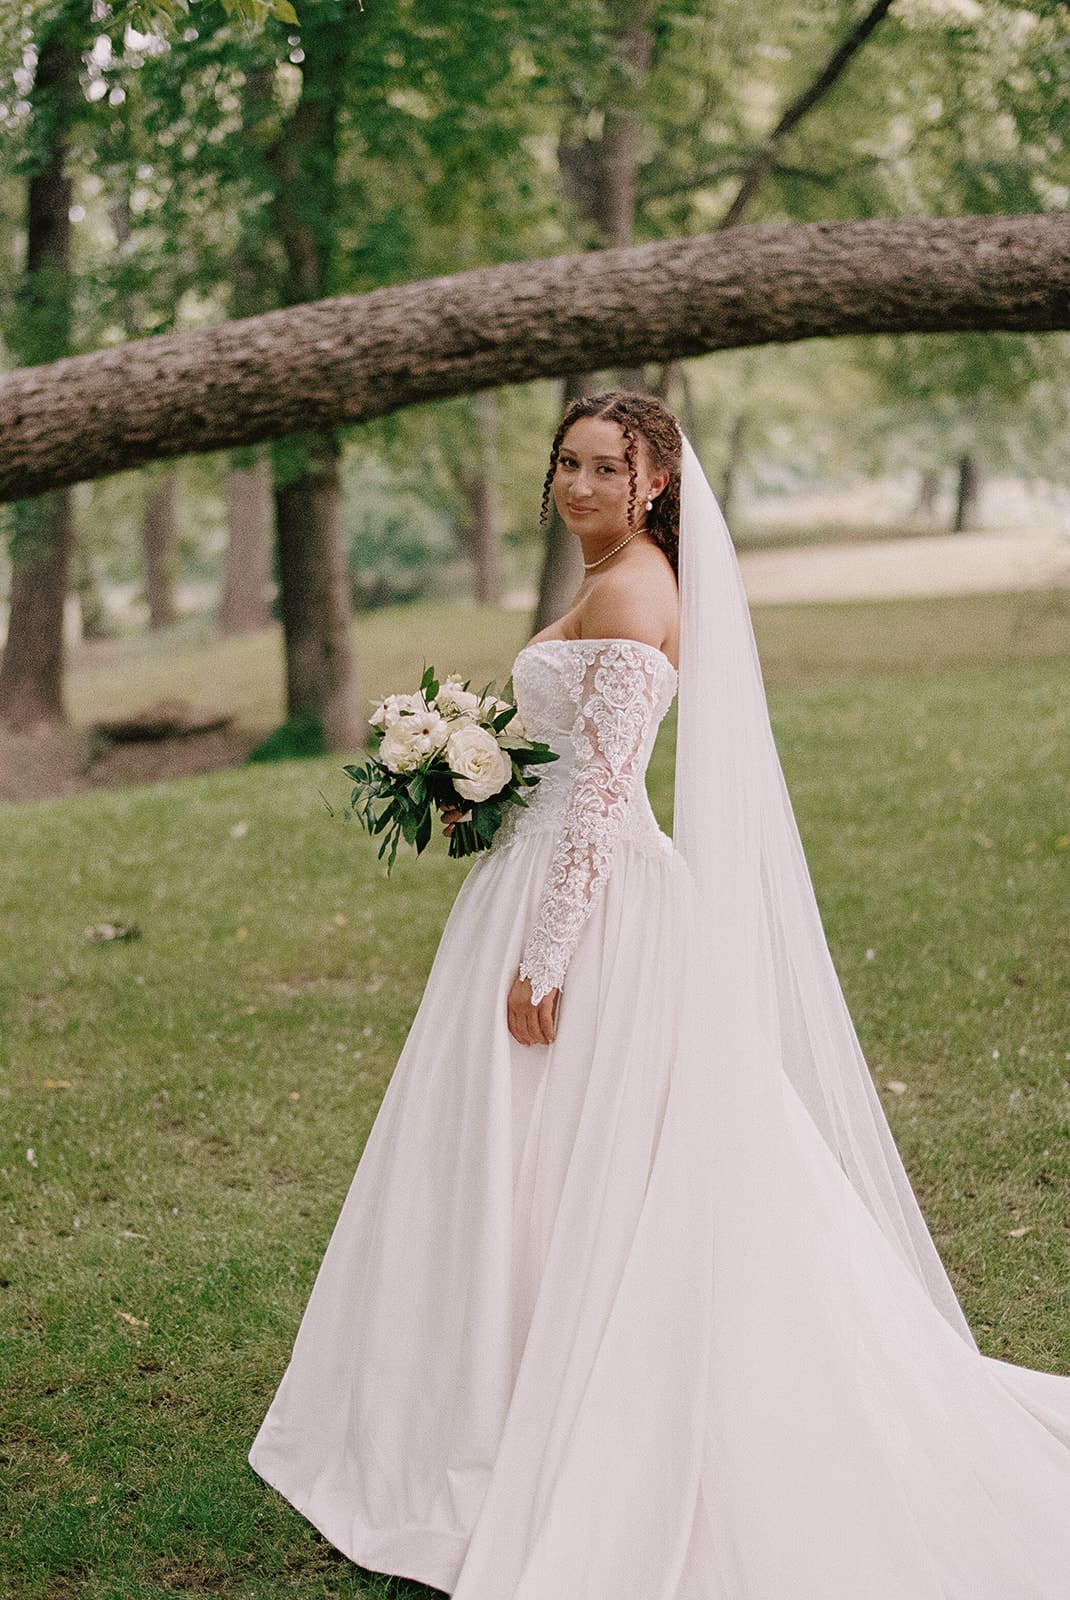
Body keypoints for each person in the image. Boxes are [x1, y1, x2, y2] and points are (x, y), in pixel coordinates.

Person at [250, 392, 1070, 1598]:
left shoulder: (636, 589)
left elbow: (603, 794)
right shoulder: (610, 570)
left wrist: (551, 951)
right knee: (516, 1154)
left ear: (653, 487)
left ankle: (574, 1405)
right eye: (565, 464)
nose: (577, 486)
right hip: (534, 887)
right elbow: (557, 767)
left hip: (596, 912)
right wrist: (469, 774)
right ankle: (484, 1391)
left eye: (603, 469)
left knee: (592, 1151)